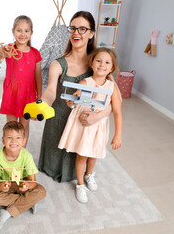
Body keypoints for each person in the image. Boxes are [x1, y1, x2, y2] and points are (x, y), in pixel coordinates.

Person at [38, 11, 116, 182]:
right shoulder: (58, 63)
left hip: (84, 121)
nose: (76, 33)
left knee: (82, 156)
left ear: (91, 33)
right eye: (73, 28)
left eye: (82, 29)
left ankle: (84, 176)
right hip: (59, 118)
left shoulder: (99, 64)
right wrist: (41, 104)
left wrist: (97, 116)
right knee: (54, 162)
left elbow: (114, 99)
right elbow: (51, 91)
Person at [58, 47, 122, 203]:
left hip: (99, 126)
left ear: (111, 68)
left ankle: (89, 175)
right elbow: (74, 99)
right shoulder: (86, 82)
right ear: (92, 63)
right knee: (82, 156)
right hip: (84, 125)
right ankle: (80, 185)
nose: (102, 65)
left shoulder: (111, 87)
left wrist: (118, 134)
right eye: (98, 60)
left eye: (107, 62)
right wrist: (71, 101)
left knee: (94, 154)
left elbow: (117, 111)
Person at [0, 121, 46, 230]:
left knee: (41, 191)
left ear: (24, 141)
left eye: (18, 138)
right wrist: (1, 187)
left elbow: (33, 182)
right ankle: (28, 202)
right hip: (7, 184)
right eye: (9, 137)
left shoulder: (26, 156)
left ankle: (7, 212)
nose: (14, 141)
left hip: (22, 183)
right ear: (3, 140)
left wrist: (28, 186)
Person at [0, 15, 42, 147]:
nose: (23, 34)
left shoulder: (35, 53)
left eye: (26, 31)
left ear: (31, 33)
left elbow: (38, 76)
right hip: (12, 93)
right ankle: (10, 151)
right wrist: (2, 51)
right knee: (10, 127)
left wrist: (39, 97)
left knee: (24, 126)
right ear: (13, 31)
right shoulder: (9, 49)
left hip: (28, 95)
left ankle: (21, 153)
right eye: (19, 30)